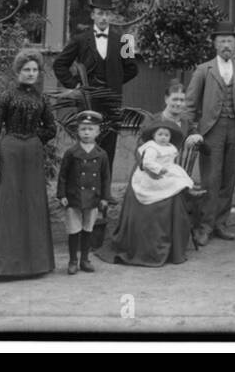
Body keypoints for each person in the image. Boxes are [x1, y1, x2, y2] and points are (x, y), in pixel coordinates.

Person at [0, 50, 58, 278]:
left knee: (31, 205)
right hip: (9, 153)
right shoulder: (5, 96)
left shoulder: (41, 99)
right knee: (7, 205)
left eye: (34, 70)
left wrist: (34, 137)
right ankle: (3, 265)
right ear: (18, 71)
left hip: (32, 155)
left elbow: (51, 128)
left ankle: (33, 265)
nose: (31, 74)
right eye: (26, 69)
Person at [100, 85, 196, 268]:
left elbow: (193, 135)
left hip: (169, 171)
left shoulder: (185, 122)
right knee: (145, 198)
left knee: (176, 194)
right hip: (147, 169)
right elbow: (140, 147)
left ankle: (172, 247)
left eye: (182, 100)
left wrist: (196, 135)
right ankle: (143, 245)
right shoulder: (153, 119)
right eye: (174, 99)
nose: (178, 103)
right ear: (166, 99)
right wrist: (150, 169)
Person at [184, 22, 235, 247]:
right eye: (222, 41)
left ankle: (221, 223)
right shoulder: (203, 69)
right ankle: (204, 225)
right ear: (215, 44)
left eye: (230, 41)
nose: (227, 45)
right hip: (211, 131)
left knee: (229, 179)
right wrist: (192, 130)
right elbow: (190, 103)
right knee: (210, 178)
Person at [53, 0, 139, 166]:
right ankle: (83, 189)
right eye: (100, 13)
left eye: (107, 14)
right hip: (88, 101)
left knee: (109, 145)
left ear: (111, 16)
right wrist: (76, 86)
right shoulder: (79, 40)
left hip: (112, 102)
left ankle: (104, 190)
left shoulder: (124, 41)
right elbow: (59, 65)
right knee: (86, 144)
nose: (103, 18)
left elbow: (132, 68)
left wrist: (114, 82)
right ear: (93, 15)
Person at [57, 111, 114, 275]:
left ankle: (85, 260)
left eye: (90, 129)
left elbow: (106, 178)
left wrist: (105, 197)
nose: (87, 133)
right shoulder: (71, 153)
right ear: (78, 131)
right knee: (74, 229)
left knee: (88, 228)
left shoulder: (101, 154)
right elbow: (63, 175)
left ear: (97, 132)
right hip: (74, 196)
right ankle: (73, 260)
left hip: (93, 197)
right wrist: (62, 195)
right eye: (83, 129)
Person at [131, 125, 195, 204]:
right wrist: (159, 168)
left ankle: (189, 190)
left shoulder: (170, 146)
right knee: (174, 181)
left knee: (181, 176)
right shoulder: (152, 148)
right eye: (160, 135)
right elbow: (147, 162)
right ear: (154, 136)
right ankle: (185, 191)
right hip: (154, 171)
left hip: (169, 168)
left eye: (166, 135)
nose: (163, 137)